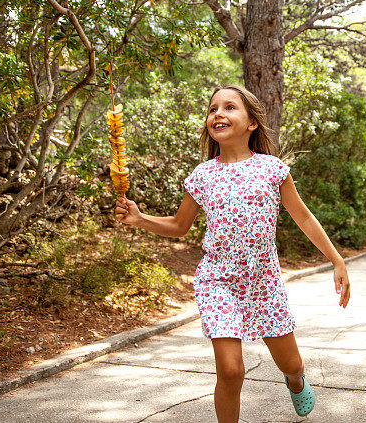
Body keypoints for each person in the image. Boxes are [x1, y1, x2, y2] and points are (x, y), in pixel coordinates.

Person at [115, 84, 350, 422]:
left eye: (229, 107)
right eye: (213, 109)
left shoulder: (273, 169)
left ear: (251, 122)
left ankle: (295, 381)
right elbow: (180, 225)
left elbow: (303, 216)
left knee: (292, 364)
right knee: (230, 370)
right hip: (217, 278)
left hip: (264, 281)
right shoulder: (202, 175)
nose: (218, 114)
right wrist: (139, 219)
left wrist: (337, 259)